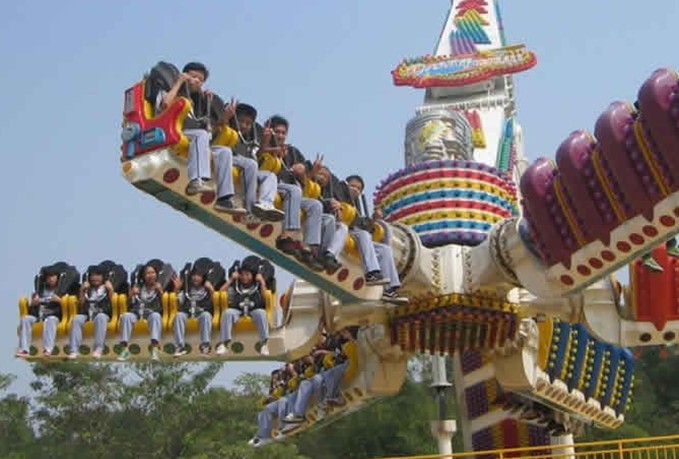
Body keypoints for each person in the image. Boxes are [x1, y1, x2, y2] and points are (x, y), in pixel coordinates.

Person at [158, 62, 245, 214]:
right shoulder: (174, 91)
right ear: (184, 76)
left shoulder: (200, 101)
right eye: (194, 77)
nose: (197, 81)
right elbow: (164, 104)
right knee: (201, 134)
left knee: (224, 151)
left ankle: (224, 199)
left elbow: (213, 128)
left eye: (201, 80)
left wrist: (225, 116)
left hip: (197, 139)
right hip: (174, 131)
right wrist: (179, 82)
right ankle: (196, 180)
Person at [259, 115, 324, 271]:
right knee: (294, 190)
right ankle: (287, 235)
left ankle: (309, 249)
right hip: (271, 185)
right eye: (277, 132)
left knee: (315, 205)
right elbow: (256, 155)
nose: (280, 135)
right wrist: (269, 147)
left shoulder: (293, 152)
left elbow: (305, 180)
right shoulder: (262, 140)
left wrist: (307, 173)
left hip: (291, 193)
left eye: (283, 133)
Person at [346, 174, 409, 304]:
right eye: (352, 186)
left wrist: (374, 219)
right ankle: (372, 274)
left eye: (358, 188)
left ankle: (389, 289)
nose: (355, 190)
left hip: (358, 235)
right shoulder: (339, 196)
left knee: (384, 249)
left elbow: (365, 225)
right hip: (344, 231)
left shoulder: (358, 207)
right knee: (363, 235)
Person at [228, 103, 284, 221]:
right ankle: (249, 210)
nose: (244, 125)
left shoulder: (250, 137)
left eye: (248, 123)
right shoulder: (229, 127)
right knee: (251, 164)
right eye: (241, 121)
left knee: (270, 176)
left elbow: (257, 156)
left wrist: (265, 142)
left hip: (247, 169)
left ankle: (265, 205)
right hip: (229, 159)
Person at [217, 258, 270, 356]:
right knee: (227, 313)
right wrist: (231, 279)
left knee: (261, 313)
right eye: (242, 274)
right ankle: (224, 343)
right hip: (238, 309)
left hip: (254, 309)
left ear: (253, 275)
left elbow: (265, 296)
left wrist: (262, 282)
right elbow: (220, 292)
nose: (244, 277)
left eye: (247, 275)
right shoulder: (236, 284)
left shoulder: (257, 284)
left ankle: (264, 343)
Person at [117, 263, 165, 361]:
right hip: (137, 312)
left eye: (152, 273)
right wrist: (131, 294)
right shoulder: (138, 287)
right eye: (147, 273)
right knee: (126, 316)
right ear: (143, 276)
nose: (150, 275)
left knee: (155, 316)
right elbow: (128, 304)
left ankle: (155, 348)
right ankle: (124, 349)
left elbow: (165, 304)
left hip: (152, 312)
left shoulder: (160, 286)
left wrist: (160, 291)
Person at [68, 267, 115, 359]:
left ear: (103, 277)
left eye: (98, 275)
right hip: (87, 314)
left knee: (100, 317)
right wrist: (82, 290)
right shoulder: (88, 289)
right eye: (92, 276)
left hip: (103, 314)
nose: (94, 278)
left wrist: (110, 290)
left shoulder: (106, 288)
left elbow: (112, 302)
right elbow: (81, 304)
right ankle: (74, 350)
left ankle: (98, 348)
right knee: (76, 319)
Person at [16, 268, 63, 357]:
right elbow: (32, 305)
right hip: (38, 315)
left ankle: (47, 349)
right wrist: (33, 303)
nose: (51, 279)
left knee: (50, 320)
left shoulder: (61, 290)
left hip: (54, 315)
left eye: (53, 276)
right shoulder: (40, 290)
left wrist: (59, 300)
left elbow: (68, 303)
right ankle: (24, 350)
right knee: (25, 319)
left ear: (57, 278)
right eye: (48, 277)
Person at [248, 363, 297, 447]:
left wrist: (291, 372)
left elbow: (292, 386)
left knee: (282, 401)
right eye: (273, 378)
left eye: (276, 377)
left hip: (289, 401)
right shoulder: (274, 388)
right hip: (278, 405)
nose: (275, 380)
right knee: (266, 409)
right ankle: (262, 435)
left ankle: (283, 428)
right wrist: (268, 399)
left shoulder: (287, 381)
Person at [171, 268, 215, 356]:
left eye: (199, 276)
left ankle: (205, 345)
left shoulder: (207, 288)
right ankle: (180, 346)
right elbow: (177, 299)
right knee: (178, 316)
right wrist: (176, 289)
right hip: (187, 311)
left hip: (202, 312)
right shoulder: (187, 288)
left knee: (206, 315)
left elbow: (215, 300)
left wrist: (211, 289)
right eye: (194, 275)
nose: (196, 278)